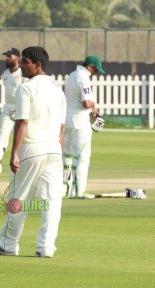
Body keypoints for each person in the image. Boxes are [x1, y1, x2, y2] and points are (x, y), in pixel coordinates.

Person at [0, 46, 66, 258]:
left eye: (25, 62)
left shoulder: (26, 88)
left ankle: (7, 244)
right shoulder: (58, 90)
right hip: (54, 151)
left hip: (32, 149)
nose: (21, 65)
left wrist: (13, 153)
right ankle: (46, 247)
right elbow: (61, 128)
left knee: (18, 199)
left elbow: (22, 122)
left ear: (37, 65)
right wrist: (59, 153)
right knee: (52, 201)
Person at [63, 55, 105, 199]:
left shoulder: (72, 75)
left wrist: (93, 112)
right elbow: (86, 103)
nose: (96, 73)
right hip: (80, 123)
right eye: (96, 70)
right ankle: (80, 191)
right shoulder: (84, 78)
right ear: (90, 67)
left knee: (67, 156)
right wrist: (93, 106)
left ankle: (65, 190)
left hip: (67, 120)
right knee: (82, 157)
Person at [0, 47, 24, 177]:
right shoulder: (5, 74)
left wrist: (19, 109)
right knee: (1, 136)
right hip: (8, 109)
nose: (7, 58)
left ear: (17, 58)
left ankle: (25, 168)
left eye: (10, 56)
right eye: (6, 56)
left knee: (25, 140)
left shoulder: (24, 74)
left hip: (22, 109)